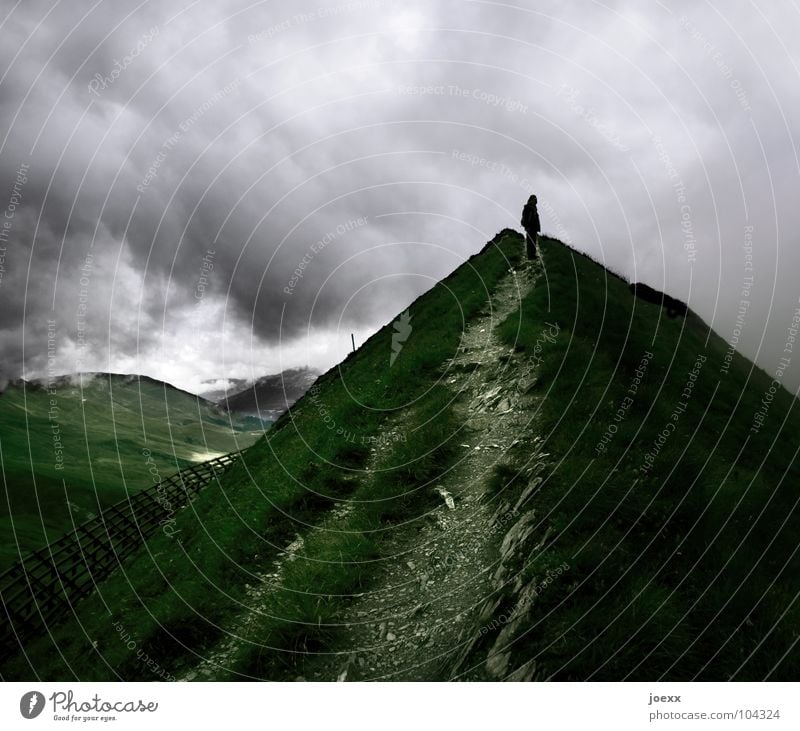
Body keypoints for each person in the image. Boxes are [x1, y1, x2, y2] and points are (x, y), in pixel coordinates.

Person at [521, 195, 541, 259]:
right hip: (530, 227)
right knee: (530, 241)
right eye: (534, 199)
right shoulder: (528, 208)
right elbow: (527, 218)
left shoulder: (533, 208)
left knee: (533, 241)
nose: (535, 200)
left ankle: (533, 255)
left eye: (535, 199)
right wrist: (527, 226)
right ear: (531, 200)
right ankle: (530, 256)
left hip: (533, 227)